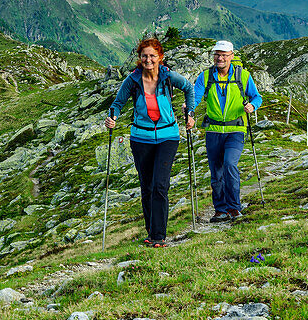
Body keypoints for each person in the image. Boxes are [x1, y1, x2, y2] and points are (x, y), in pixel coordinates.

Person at [106, 37, 195, 247]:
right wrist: (113, 117)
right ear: (139, 58)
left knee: (160, 185)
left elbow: (189, 88)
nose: (148, 60)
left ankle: (158, 236)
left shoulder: (168, 76)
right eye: (144, 56)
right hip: (140, 138)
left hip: (168, 136)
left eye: (152, 56)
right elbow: (117, 103)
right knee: (146, 187)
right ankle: (151, 230)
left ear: (160, 57)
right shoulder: (132, 80)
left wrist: (190, 112)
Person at [192, 40, 262, 223]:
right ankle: (220, 210)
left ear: (232, 56)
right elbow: (196, 95)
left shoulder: (243, 76)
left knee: (230, 164)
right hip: (213, 131)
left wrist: (253, 106)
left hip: (236, 130)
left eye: (224, 54)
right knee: (216, 172)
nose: (220, 58)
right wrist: (189, 108)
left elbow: (257, 96)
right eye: (217, 54)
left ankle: (234, 208)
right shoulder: (206, 76)